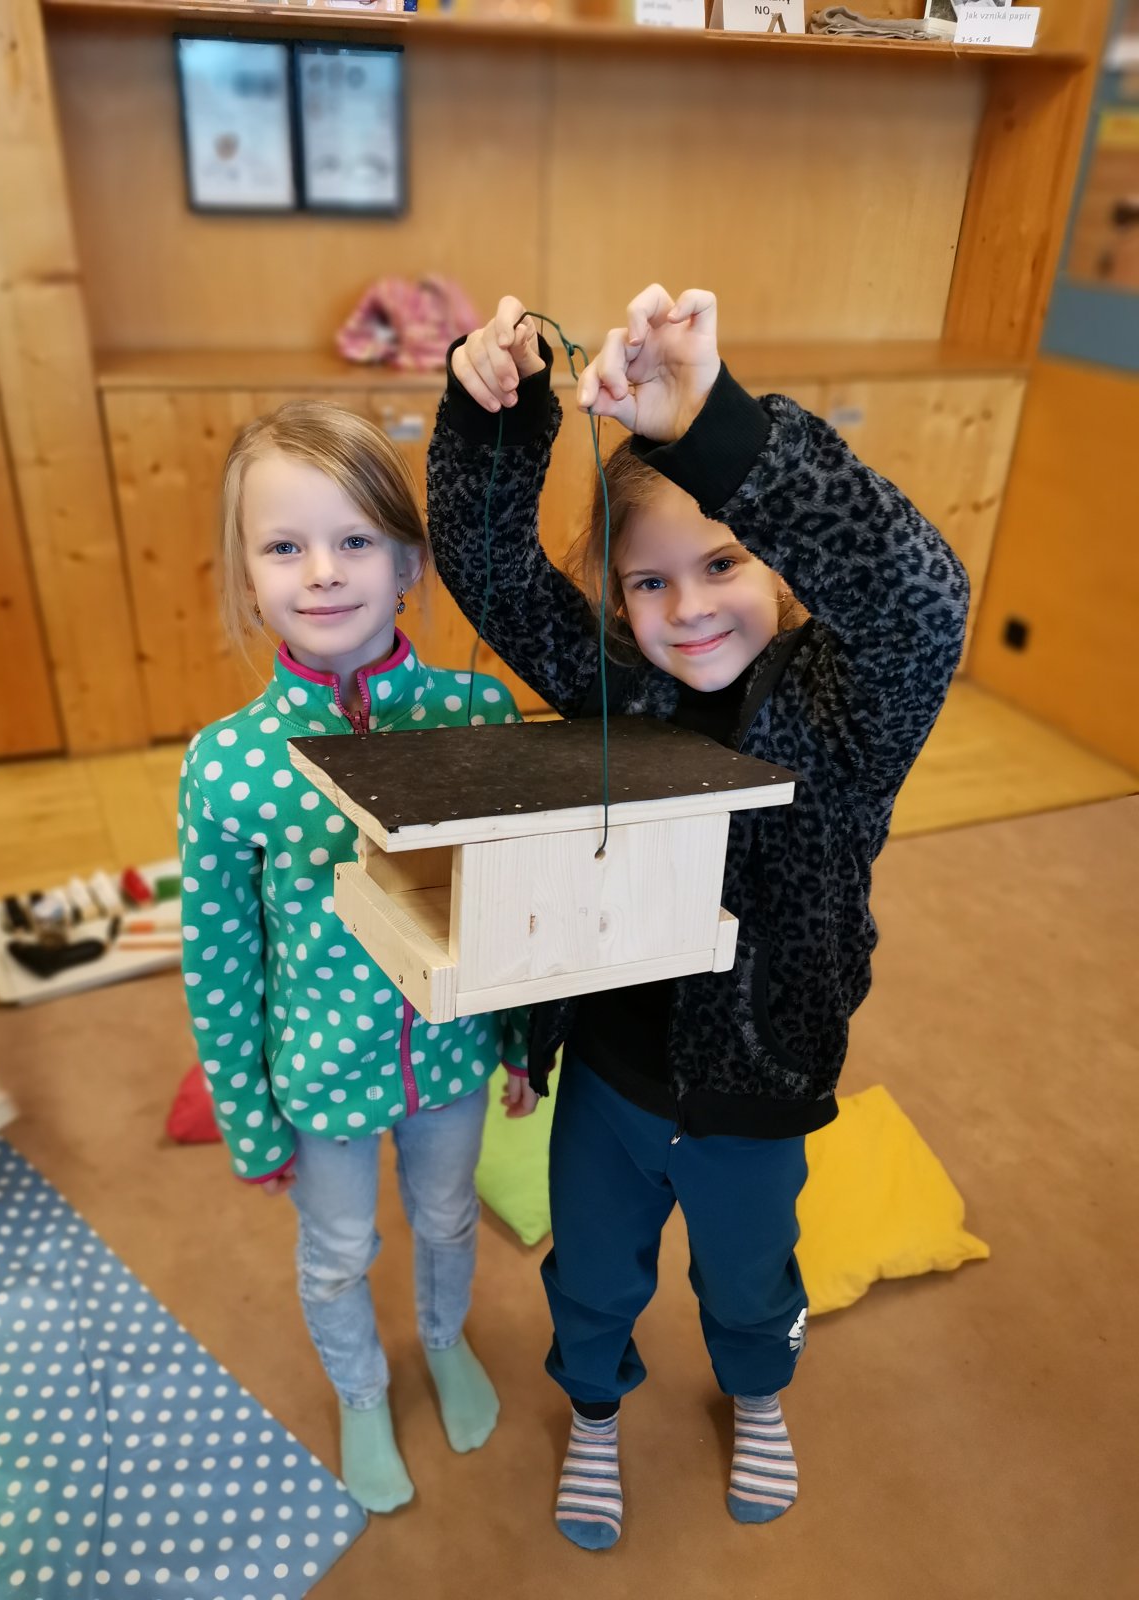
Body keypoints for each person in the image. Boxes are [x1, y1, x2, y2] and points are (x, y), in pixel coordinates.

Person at [427, 286, 968, 1548]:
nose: (689, 608)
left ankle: (756, 1392)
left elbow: (921, 597)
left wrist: (718, 431)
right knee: (590, 1277)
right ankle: (595, 1411)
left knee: (751, 1277)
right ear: (618, 601)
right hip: (611, 1082)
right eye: (650, 583)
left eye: (722, 563)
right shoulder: (617, 691)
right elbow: (493, 572)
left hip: (761, 1091)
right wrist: (493, 416)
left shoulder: (849, 715)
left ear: (780, 560)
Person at [178, 397, 534, 1514]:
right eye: (285, 546)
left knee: (448, 1218)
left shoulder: (475, 713)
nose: (324, 572)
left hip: (453, 1052)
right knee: (337, 1252)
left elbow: (517, 899)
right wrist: (247, 1116)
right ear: (248, 577)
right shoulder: (228, 765)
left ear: (409, 562)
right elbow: (219, 962)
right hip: (319, 1075)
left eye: (356, 540)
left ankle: (445, 1339)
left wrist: (522, 1040)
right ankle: (363, 1392)